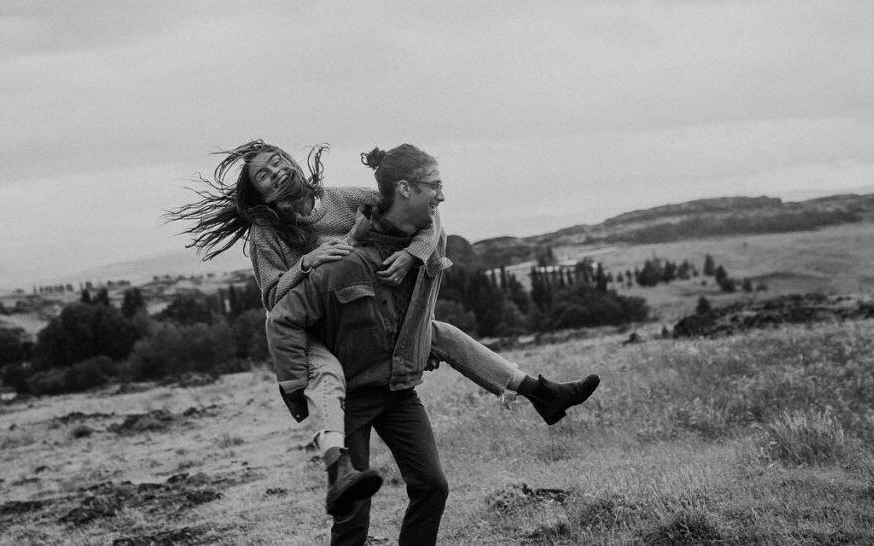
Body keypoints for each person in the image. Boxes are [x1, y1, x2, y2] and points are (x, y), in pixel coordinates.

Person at [167, 140, 599, 518]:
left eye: (278, 160)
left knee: (439, 333)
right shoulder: (267, 235)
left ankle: (540, 392)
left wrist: (414, 253)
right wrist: (305, 263)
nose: (277, 171)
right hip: (315, 334)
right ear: (257, 191)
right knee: (333, 385)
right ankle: (337, 463)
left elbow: (419, 214)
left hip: (367, 321)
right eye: (264, 174)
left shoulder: (343, 199)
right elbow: (272, 300)